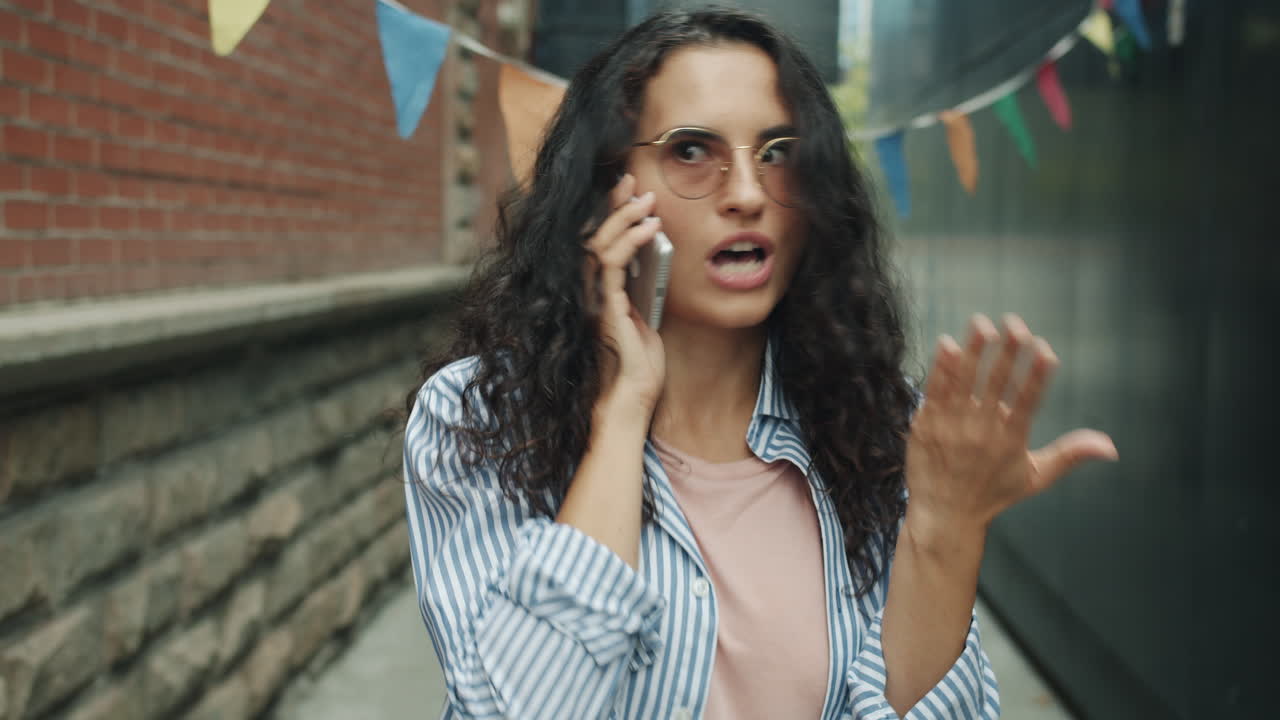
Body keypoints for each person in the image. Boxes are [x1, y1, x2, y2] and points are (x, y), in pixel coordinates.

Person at [403, 7, 1118, 720]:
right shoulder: (481, 416)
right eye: (691, 151)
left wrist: (944, 533)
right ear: (608, 189)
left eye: (779, 151)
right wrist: (620, 417)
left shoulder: (878, 425)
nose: (747, 194)